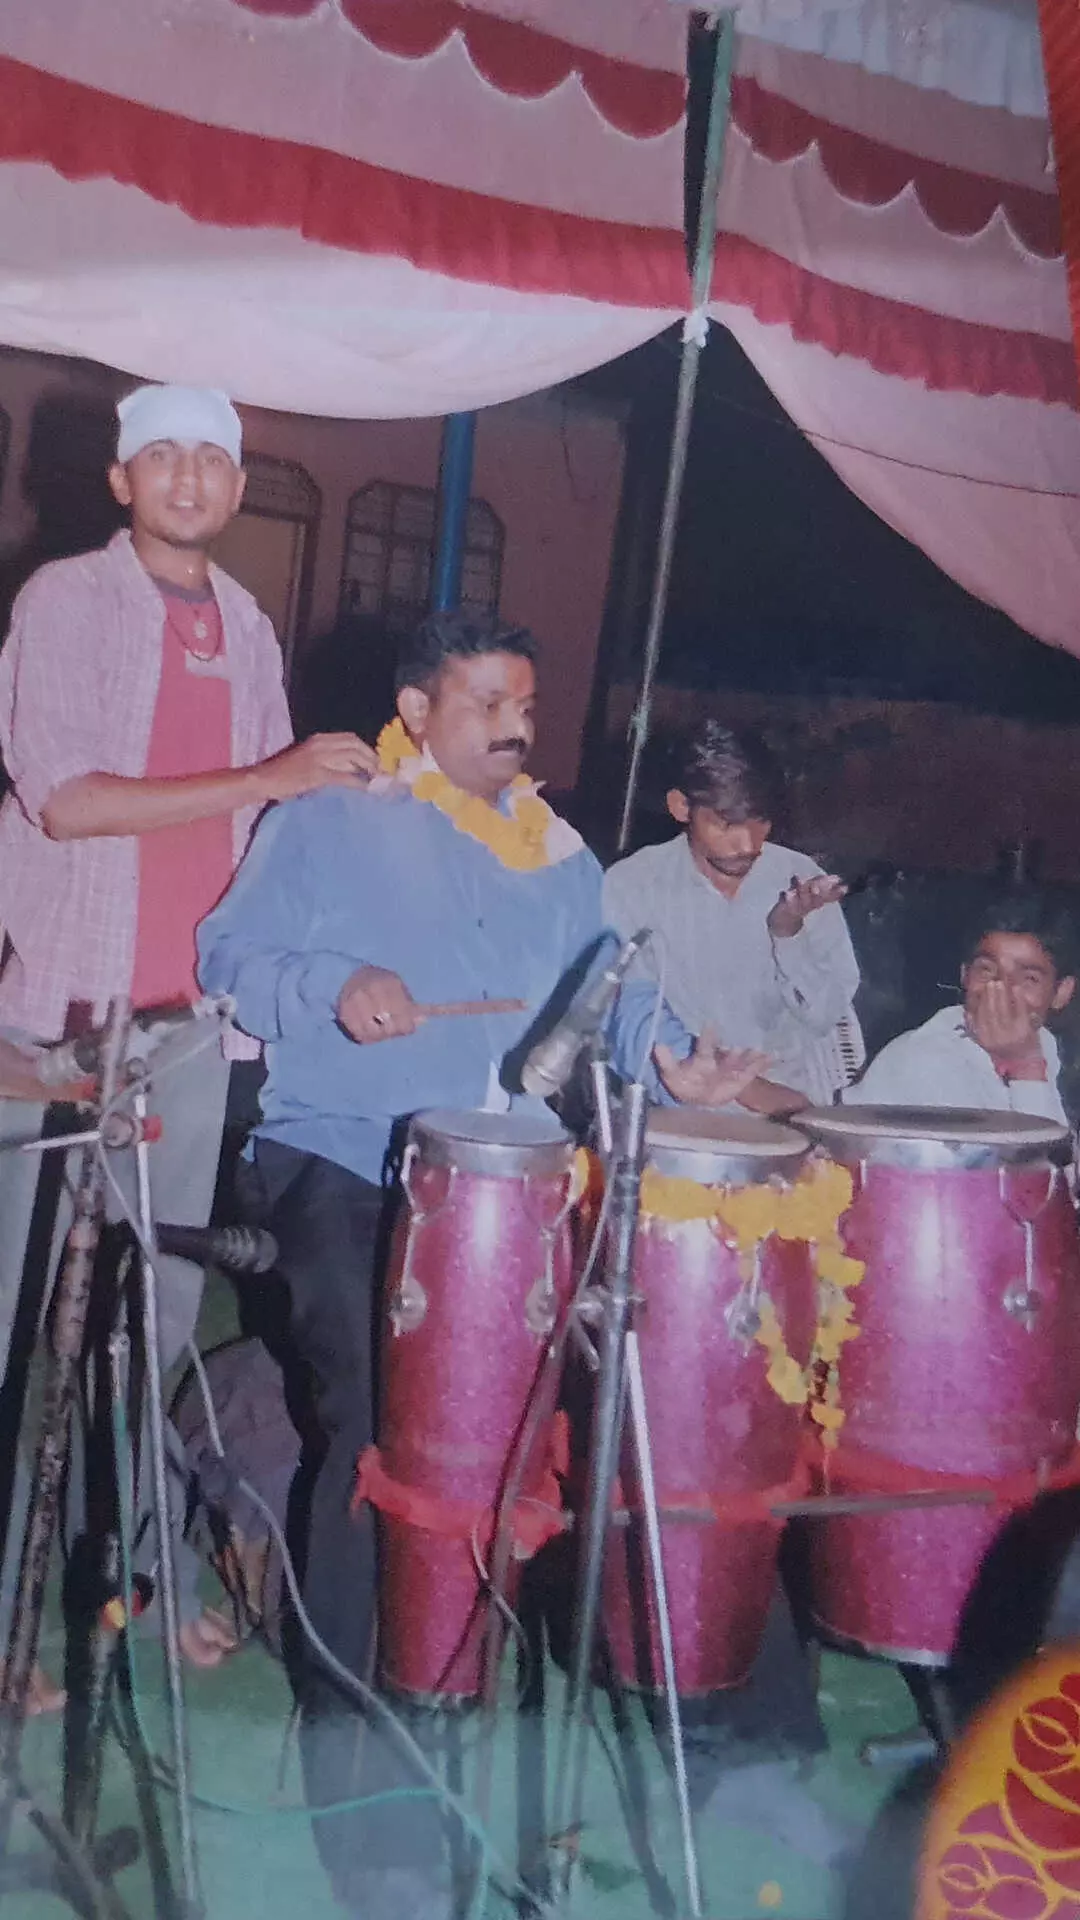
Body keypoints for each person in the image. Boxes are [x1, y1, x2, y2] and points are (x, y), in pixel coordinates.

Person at [197, 608, 769, 1919]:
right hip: (342, 1162)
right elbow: (226, 955)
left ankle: (560, 1725)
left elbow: (610, 1000)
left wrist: (673, 1055)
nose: (514, 724)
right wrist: (335, 982)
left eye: (525, 701)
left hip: (510, 1186)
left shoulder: (561, 857)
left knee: (596, 1422)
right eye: (486, 703)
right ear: (416, 708)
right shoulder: (331, 821)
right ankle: (366, 1790)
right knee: (387, 1432)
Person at [0, 381, 376, 1681]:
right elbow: (63, 802)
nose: (187, 476)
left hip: (186, 1033)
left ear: (235, 482)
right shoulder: (64, 603)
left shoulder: (251, 627)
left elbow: (276, 830)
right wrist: (274, 778)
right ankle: (7, 1632)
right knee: (16, 1338)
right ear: (118, 480)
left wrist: (400, 803)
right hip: (52, 1025)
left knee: (149, 1326)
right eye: (159, 454)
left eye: (211, 457)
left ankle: (129, 1588)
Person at [603, 721, 863, 1109]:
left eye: (761, 823)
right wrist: (744, 1091)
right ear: (681, 807)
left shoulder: (802, 881)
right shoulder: (632, 886)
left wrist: (787, 935)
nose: (748, 845)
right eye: (726, 825)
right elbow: (627, 1021)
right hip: (677, 1112)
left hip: (789, 1114)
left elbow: (825, 1018)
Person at [845, 893, 1075, 1122]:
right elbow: (1032, 1153)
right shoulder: (924, 1058)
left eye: (1029, 979)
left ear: (1061, 992)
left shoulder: (1044, 1043)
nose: (1002, 990)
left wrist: (1027, 1061)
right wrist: (1026, 1067)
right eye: (986, 970)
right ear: (965, 976)